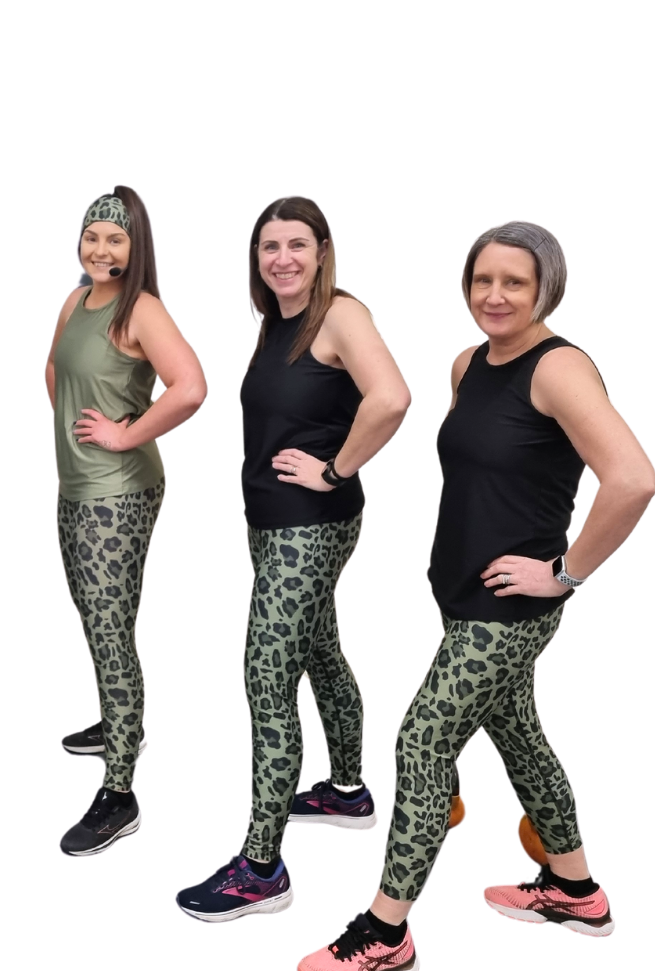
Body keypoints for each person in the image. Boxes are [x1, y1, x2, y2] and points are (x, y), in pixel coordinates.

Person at [296, 222, 655, 971]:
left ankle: (385, 933)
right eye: (481, 279)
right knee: (520, 734)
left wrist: (564, 573)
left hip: (511, 612)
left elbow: (632, 479)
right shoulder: (469, 364)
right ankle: (574, 890)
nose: (494, 295)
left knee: (423, 740)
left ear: (546, 288)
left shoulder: (559, 369)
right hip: (460, 597)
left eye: (514, 283)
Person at [176, 197, 411, 920]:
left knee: (266, 674)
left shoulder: (340, 313)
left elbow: (393, 398)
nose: (281, 258)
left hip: (310, 524)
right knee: (319, 651)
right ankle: (346, 792)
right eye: (269, 246)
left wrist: (335, 470)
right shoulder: (281, 323)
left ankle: (260, 866)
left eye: (296, 245)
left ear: (322, 251)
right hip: (276, 525)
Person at [48, 186, 207, 855]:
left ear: (136, 247)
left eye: (115, 239)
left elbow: (191, 386)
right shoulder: (77, 298)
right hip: (77, 484)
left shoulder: (142, 308)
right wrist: (79, 423)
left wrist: (125, 433)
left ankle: (120, 790)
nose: (101, 249)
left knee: (111, 629)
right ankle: (121, 721)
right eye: (93, 236)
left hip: (118, 491)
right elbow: (54, 372)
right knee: (96, 616)